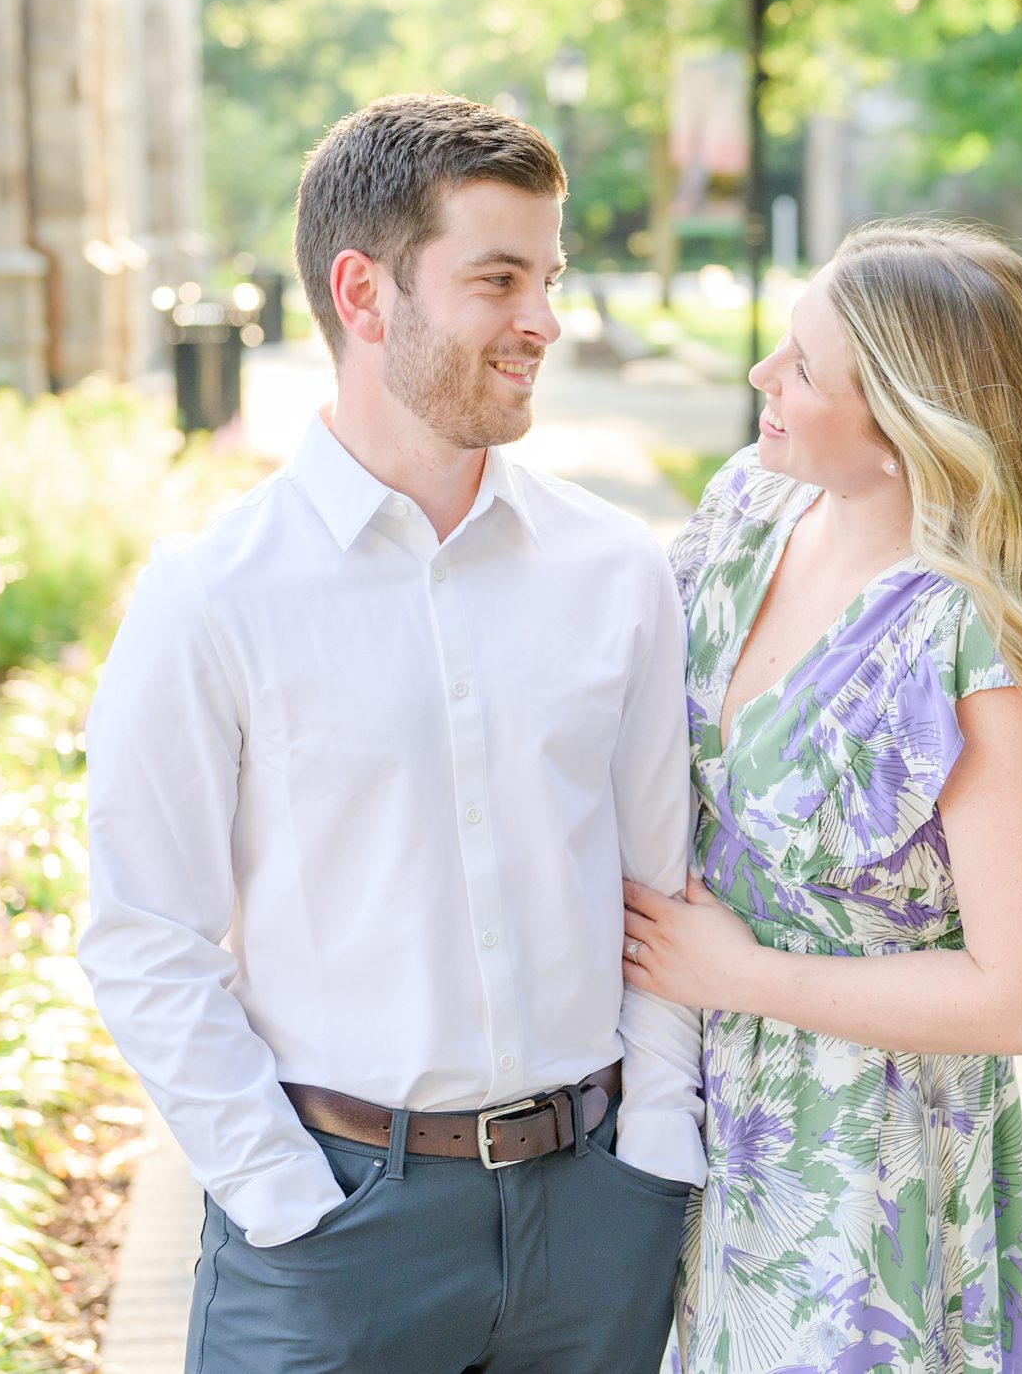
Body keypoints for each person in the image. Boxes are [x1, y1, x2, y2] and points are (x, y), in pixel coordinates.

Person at [80, 93, 702, 1374]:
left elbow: (661, 888)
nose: (542, 319)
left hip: (592, 1220)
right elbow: (145, 933)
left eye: (550, 277)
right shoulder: (215, 595)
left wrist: (654, 1155)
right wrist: (281, 1197)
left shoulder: (615, 569)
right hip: (332, 1234)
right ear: (364, 295)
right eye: (498, 278)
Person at [622, 221, 1022, 1374]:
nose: (763, 374)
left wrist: (741, 976)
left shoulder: (970, 644)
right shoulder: (748, 509)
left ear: (907, 425)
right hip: (682, 1106)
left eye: (803, 367)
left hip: (857, 1166)